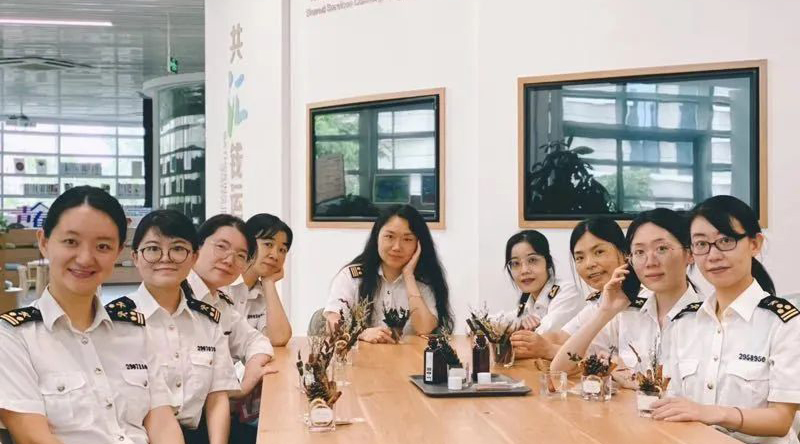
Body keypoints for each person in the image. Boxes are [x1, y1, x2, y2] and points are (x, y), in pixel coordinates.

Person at [0, 186, 183, 444]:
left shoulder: (135, 331)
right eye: (71, 242)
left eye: (103, 246)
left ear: (118, 252)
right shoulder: (13, 337)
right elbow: (33, 437)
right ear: (44, 242)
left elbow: (162, 422)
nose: (86, 258)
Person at [652, 196, 800, 443]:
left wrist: (713, 413)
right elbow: (674, 404)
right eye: (701, 244)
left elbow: (781, 420)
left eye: (725, 241)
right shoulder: (684, 323)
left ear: (755, 244)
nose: (713, 255)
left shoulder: (784, 323)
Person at [551, 209, 702, 388]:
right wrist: (605, 312)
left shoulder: (707, 318)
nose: (650, 262)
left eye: (662, 249)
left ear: (690, 253)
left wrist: (636, 383)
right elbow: (560, 369)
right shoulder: (628, 311)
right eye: (639, 252)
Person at [128, 210, 240, 444]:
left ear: (193, 257)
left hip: (198, 434)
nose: (165, 258)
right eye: (153, 249)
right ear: (135, 257)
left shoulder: (208, 320)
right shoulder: (117, 321)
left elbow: (217, 397)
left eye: (178, 249)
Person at [187, 214, 276, 443]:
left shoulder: (219, 302)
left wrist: (250, 374)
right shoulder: (175, 297)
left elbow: (256, 340)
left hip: (212, 417)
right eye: (221, 247)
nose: (229, 260)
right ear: (196, 247)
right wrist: (240, 389)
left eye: (240, 256)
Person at [323, 205, 453, 342]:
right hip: (361, 355)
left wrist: (408, 276)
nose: (397, 247)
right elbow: (332, 323)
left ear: (419, 244)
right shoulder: (352, 277)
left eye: (407, 239)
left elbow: (426, 329)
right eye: (390, 236)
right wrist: (361, 334)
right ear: (377, 237)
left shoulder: (425, 282)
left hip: (410, 356)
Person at [511, 217, 627, 360]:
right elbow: (561, 336)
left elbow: (628, 367)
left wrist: (548, 349)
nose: (589, 264)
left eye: (599, 252)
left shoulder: (643, 302)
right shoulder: (596, 303)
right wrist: (523, 342)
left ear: (625, 252)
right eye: (580, 258)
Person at [224, 214, 292, 346]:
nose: (275, 255)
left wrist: (269, 283)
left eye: (282, 250)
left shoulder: (262, 293)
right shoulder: (222, 283)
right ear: (247, 243)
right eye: (268, 244)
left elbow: (279, 338)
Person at [503, 230, 583, 333]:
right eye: (515, 263)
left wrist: (519, 328)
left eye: (532, 260)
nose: (524, 270)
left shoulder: (568, 292)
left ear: (548, 262)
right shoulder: (527, 301)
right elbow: (501, 321)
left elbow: (546, 332)